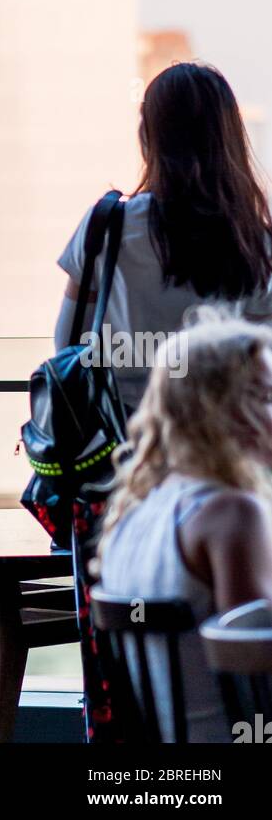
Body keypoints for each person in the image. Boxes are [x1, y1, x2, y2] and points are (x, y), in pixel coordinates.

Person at [97, 309, 272, 742]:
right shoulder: (232, 515)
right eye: (266, 395)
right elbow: (257, 665)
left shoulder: (134, 511)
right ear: (223, 409)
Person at [55, 62, 272, 412]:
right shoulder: (254, 241)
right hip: (218, 442)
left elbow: (68, 342)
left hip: (124, 440)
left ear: (150, 136)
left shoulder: (108, 224)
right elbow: (263, 366)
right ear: (228, 137)